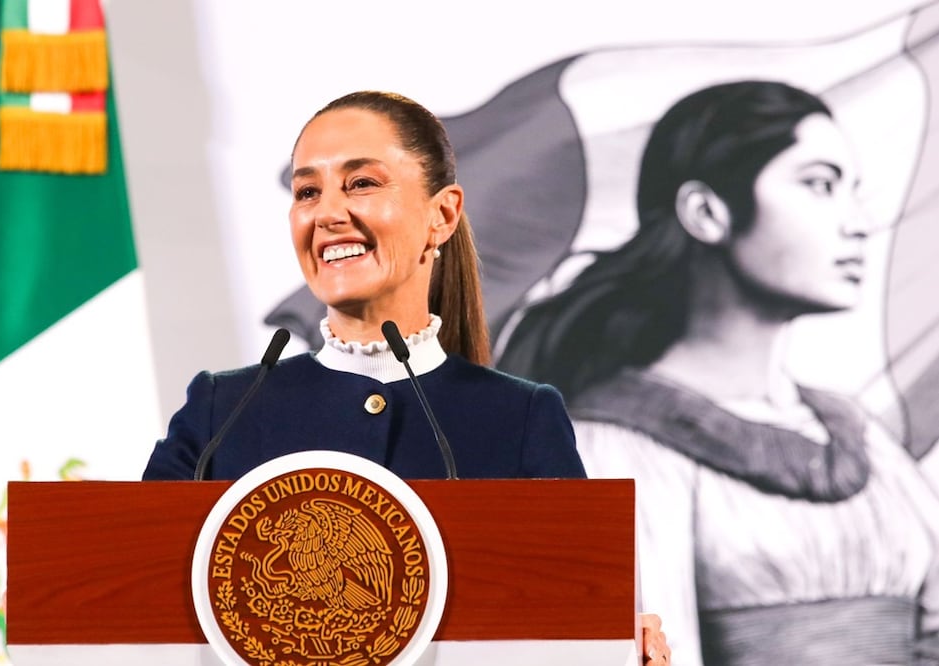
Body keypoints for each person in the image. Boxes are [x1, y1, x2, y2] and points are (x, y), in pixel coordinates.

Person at [142, 90, 670, 664]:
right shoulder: (221, 413)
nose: (327, 213)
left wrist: (618, 643)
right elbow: (126, 598)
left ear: (441, 215)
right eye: (307, 191)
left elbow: (575, 619)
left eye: (362, 183)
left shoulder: (519, 419)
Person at [498, 80, 939, 665]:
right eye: (819, 185)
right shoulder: (602, 450)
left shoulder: (864, 441)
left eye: (852, 191)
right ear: (706, 213)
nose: (857, 223)